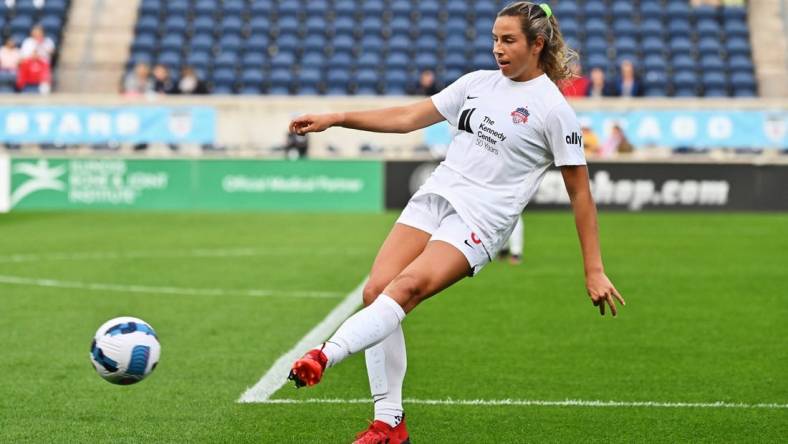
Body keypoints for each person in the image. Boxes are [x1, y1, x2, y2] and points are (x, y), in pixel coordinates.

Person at [286, 3, 624, 443]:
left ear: (537, 44)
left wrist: (593, 268)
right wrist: (338, 118)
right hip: (435, 197)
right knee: (375, 291)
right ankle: (390, 424)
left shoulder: (553, 110)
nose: (498, 49)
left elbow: (580, 192)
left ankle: (324, 357)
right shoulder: (476, 84)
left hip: (481, 219)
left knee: (404, 289)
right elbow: (409, 118)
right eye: (494, 39)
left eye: (508, 40)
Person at [18, 25, 55, 93]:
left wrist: (42, 46)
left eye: (38, 32)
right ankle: (24, 91)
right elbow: (23, 56)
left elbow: (51, 54)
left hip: (43, 66)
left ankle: (44, 93)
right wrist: (33, 57)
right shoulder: (27, 42)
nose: (37, 34)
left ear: (42, 32)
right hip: (29, 66)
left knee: (45, 76)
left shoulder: (48, 41)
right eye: (35, 32)